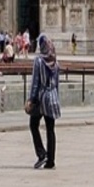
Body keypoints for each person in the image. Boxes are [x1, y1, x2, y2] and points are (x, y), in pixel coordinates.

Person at [26, 35, 59, 170]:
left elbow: (35, 83)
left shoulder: (39, 61)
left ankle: (41, 154)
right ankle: (51, 160)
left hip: (41, 98)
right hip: (52, 98)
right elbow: (57, 84)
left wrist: (31, 100)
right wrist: (57, 100)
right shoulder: (55, 62)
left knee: (33, 125)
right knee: (50, 129)